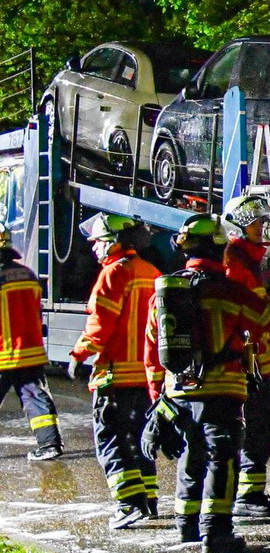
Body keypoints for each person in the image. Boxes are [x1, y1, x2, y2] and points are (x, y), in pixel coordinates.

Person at [144, 214, 270, 553]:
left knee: (190, 455)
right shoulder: (228, 292)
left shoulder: (164, 294)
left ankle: (186, 527)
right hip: (222, 390)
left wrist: (158, 397)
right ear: (219, 249)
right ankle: (217, 534)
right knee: (221, 458)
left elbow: (152, 351)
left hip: (177, 391)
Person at [68, 214, 161, 529]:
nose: (94, 247)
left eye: (99, 241)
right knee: (139, 440)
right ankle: (148, 500)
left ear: (114, 243)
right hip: (145, 378)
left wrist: (79, 353)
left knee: (112, 440)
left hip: (115, 375)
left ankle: (128, 505)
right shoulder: (151, 272)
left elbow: (100, 325)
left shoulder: (112, 274)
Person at [221, 193, 270, 518]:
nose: (261, 229)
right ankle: (247, 497)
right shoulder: (234, 262)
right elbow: (245, 315)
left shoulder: (246, 260)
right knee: (255, 429)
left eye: (262, 223)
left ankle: (250, 494)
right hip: (244, 364)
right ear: (238, 228)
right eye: (256, 224)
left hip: (254, 363)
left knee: (260, 428)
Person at [0, 229, 63, 462]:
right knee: (36, 398)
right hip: (30, 351)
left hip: (4, 351)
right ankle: (50, 444)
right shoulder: (27, 274)